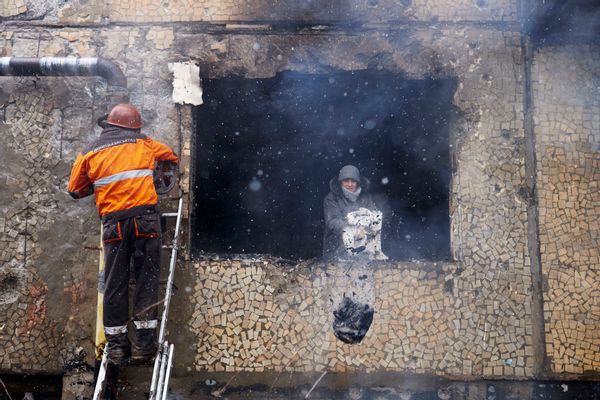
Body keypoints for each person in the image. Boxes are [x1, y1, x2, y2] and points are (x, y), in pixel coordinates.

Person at [68, 103, 179, 365]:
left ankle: (117, 347)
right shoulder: (145, 143)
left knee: (115, 283)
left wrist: (99, 185)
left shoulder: (89, 151)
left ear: (108, 125)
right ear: (133, 127)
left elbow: (74, 189)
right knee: (146, 279)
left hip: (114, 224)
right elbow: (171, 158)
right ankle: (144, 346)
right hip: (145, 220)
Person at [323, 165, 387, 261]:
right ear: (340, 182)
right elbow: (331, 221)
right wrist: (352, 228)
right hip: (335, 249)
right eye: (346, 181)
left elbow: (374, 216)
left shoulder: (365, 197)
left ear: (358, 182)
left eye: (353, 181)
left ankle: (373, 252)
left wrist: (366, 226)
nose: (350, 184)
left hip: (362, 247)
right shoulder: (331, 198)